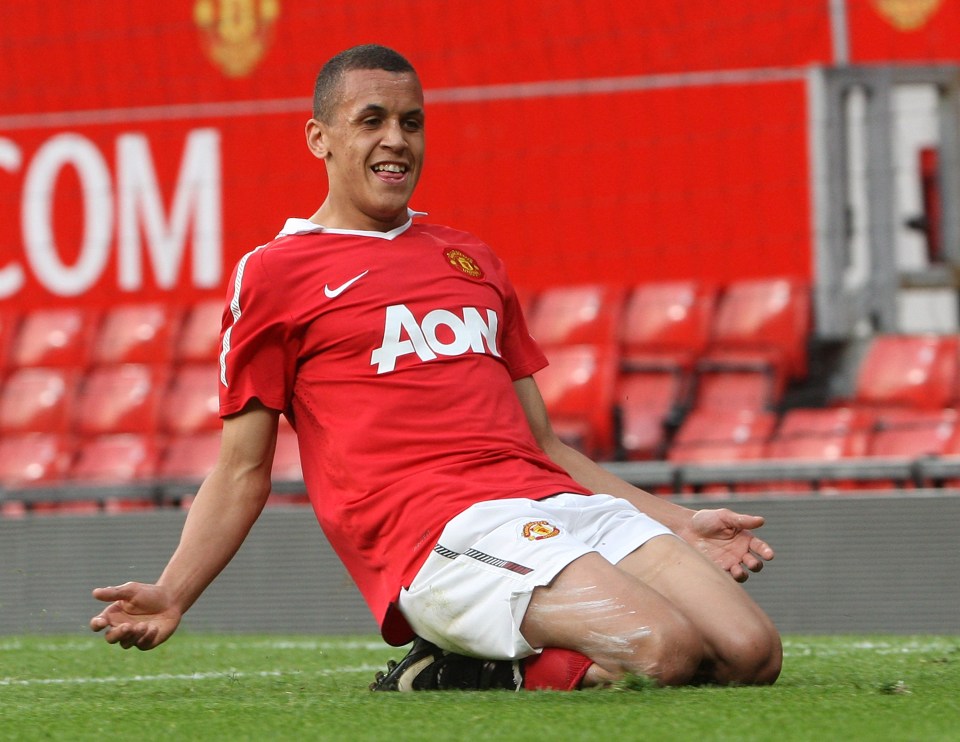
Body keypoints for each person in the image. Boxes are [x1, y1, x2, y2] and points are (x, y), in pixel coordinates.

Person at [90, 43, 782, 692]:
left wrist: (681, 523)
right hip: (439, 535)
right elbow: (242, 469)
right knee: (664, 650)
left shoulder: (471, 256)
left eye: (411, 122)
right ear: (318, 138)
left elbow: (543, 446)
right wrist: (174, 590)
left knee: (751, 653)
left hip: (555, 506)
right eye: (372, 120)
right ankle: (463, 670)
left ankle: (489, 656)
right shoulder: (275, 273)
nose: (397, 139)